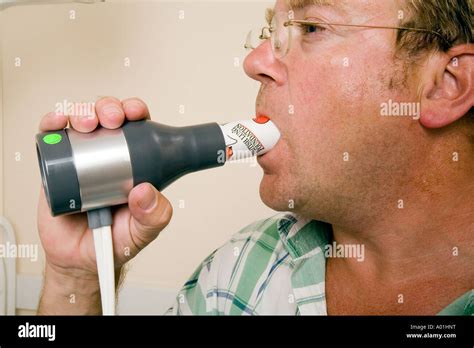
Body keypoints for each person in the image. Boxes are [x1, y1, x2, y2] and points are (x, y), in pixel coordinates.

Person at [37, 0, 473, 315]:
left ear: (445, 85)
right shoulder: (242, 271)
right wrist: (75, 279)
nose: (254, 61)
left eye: (312, 28)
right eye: (270, 33)